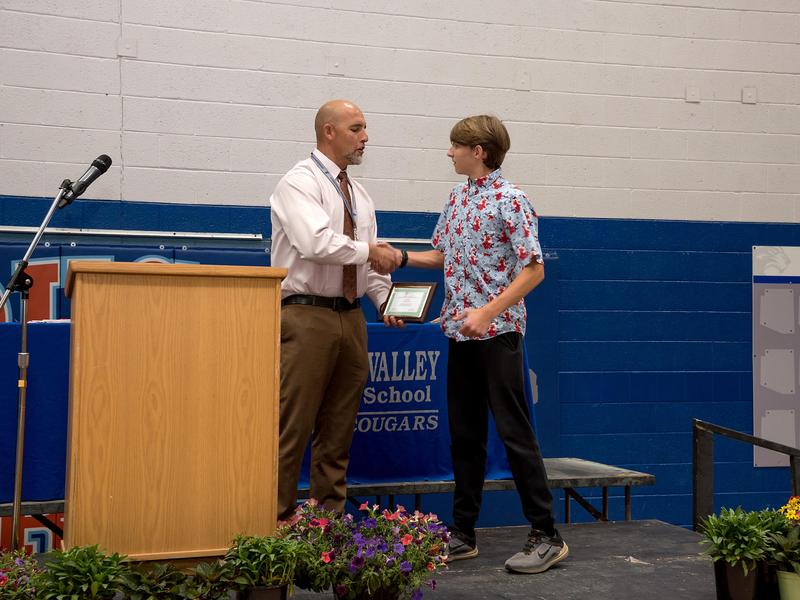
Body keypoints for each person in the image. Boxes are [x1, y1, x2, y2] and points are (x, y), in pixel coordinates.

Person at [399, 115, 568, 574]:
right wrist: (395, 256)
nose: (449, 152)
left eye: (456, 145)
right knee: (465, 437)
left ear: (479, 151)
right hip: (460, 335)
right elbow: (442, 256)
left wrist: (488, 312)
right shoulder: (455, 199)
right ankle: (463, 533)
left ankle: (547, 534)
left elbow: (534, 269)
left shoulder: (512, 201)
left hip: (499, 335)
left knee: (515, 434)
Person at [270, 99, 400, 522]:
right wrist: (370, 251)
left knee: (339, 429)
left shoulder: (359, 195)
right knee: (292, 425)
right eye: (357, 128)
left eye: (365, 129)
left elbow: (370, 265)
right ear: (329, 131)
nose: (365, 137)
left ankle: (327, 523)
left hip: (351, 316)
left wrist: (385, 302)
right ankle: (272, 520)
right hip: (305, 315)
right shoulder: (298, 182)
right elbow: (316, 244)